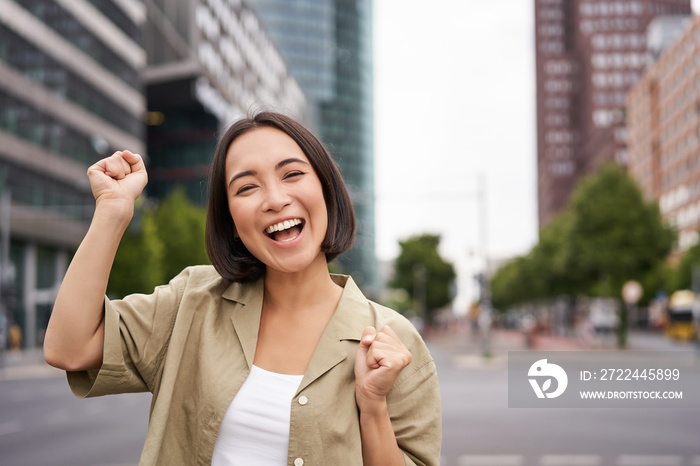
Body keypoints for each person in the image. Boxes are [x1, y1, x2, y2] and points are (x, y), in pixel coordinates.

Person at [44, 111, 441, 466]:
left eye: (292, 174)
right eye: (247, 187)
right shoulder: (191, 302)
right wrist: (113, 212)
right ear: (232, 220)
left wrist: (371, 407)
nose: (275, 199)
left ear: (326, 189)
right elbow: (69, 348)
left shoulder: (395, 340)